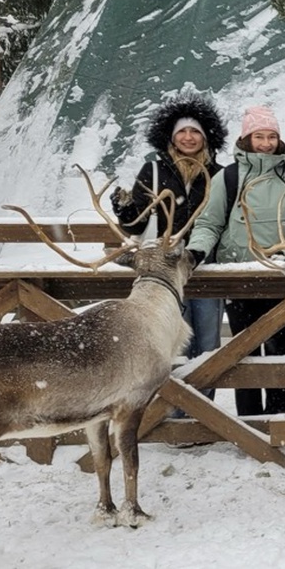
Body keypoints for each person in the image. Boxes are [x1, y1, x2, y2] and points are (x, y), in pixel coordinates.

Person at [187, 104, 285, 417]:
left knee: (279, 352)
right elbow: (210, 223)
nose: (266, 143)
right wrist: (196, 252)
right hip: (239, 278)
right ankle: (250, 421)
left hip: (281, 279)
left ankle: (280, 418)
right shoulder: (227, 178)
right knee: (243, 353)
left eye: (271, 136)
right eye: (259, 136)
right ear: (247, 138)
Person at [111, 92, 226, 396]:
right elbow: (135, 224)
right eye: (182, 132)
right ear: (172, 138)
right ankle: (173, 410)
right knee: (169, 339)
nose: (189, 138)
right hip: (164, 271)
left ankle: (204, 412)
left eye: (195, 132)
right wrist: (124, 209)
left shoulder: (220, 174)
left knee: (208, 342)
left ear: (205, 137)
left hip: (205, 265)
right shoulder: (153, 171)